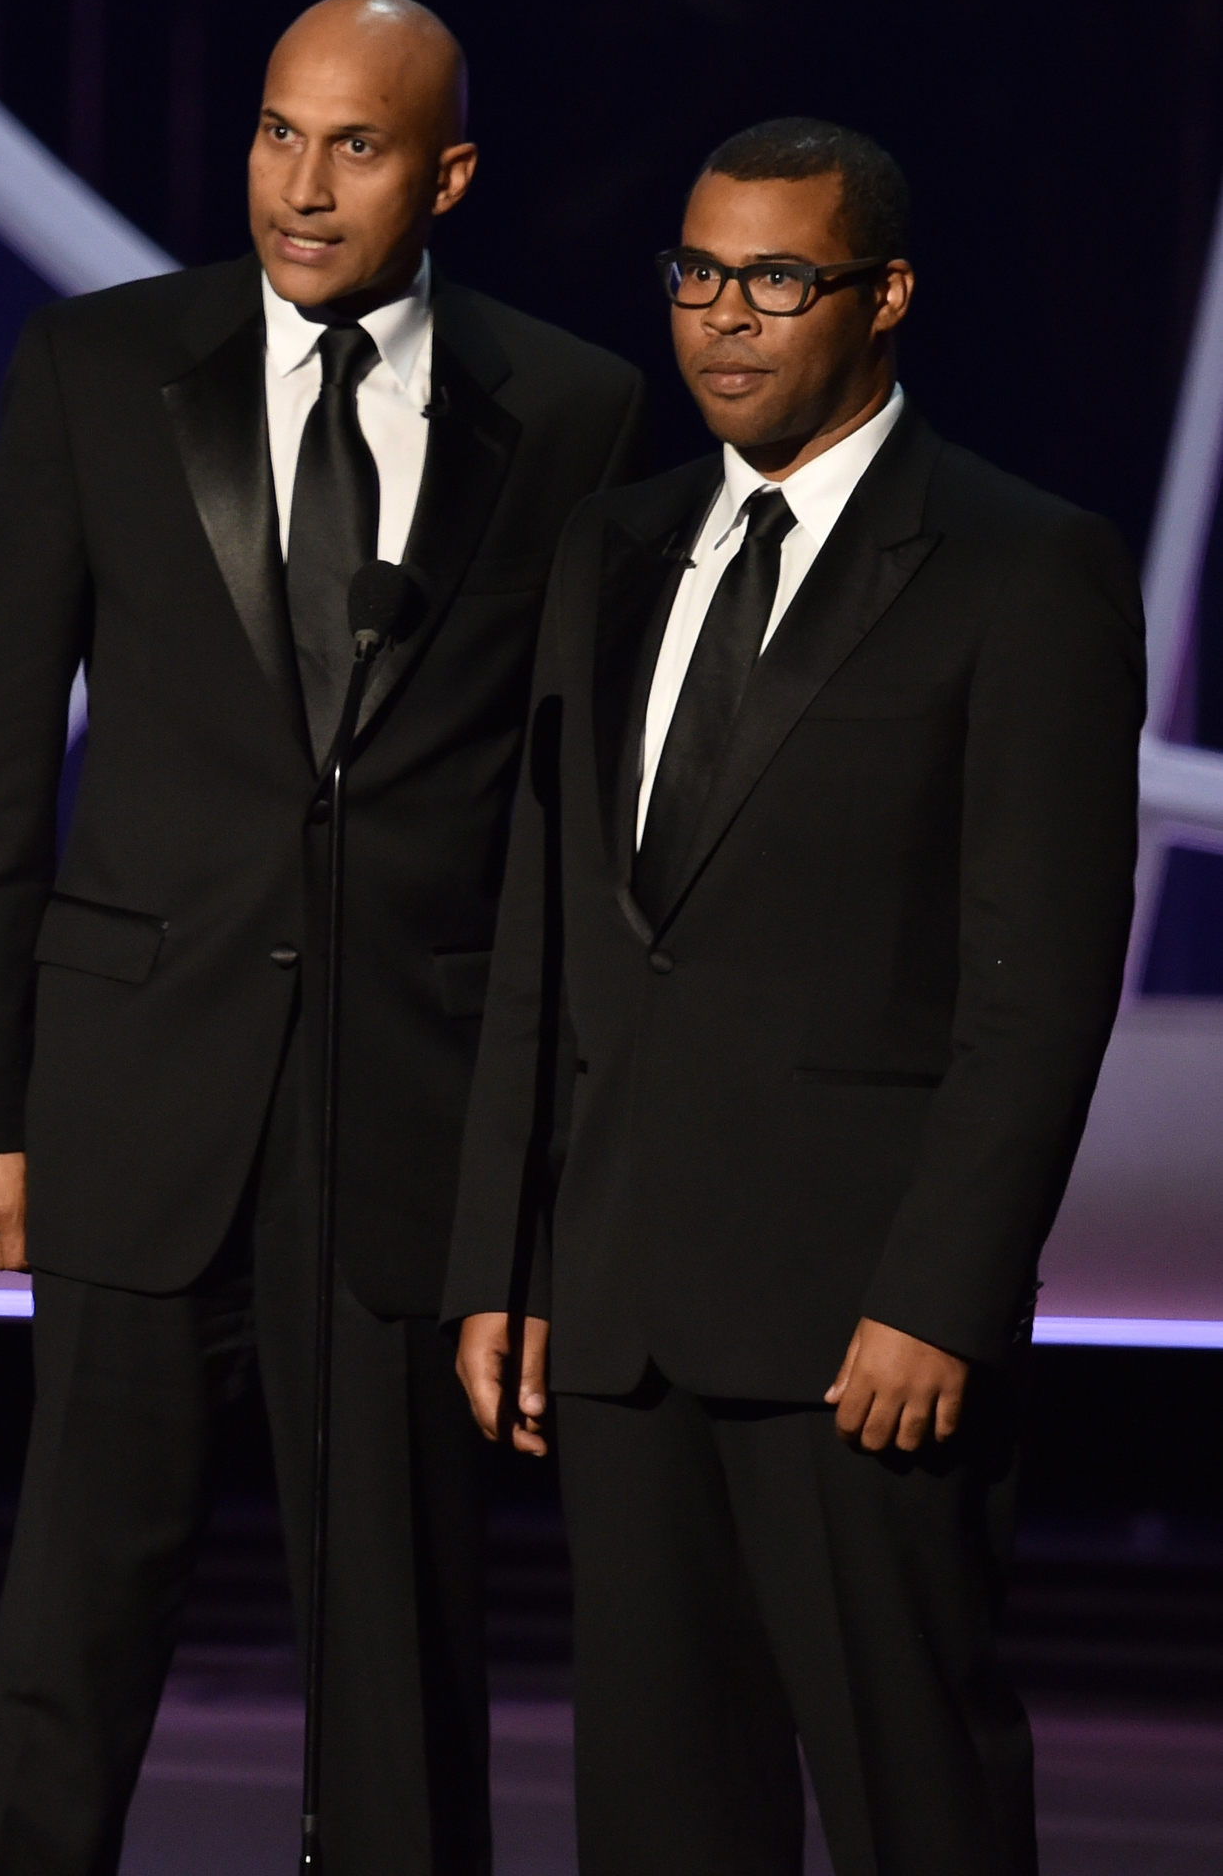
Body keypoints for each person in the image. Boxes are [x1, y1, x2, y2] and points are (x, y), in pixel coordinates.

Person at [0, 0, 645, 1876]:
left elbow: (569, 817)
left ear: (448, 173)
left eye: (358, 145)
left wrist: (545, 1171)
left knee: (402, 1660)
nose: (301, 187)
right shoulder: (97, 364)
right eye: (273, 133)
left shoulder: (568, 409)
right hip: (135, 1097)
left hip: (411, 1116)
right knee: (73, 1631)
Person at [449, 117, 1144, 1875]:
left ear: (885, 295)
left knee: (919, 1796)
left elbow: (1040, 983)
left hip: (863, 1334)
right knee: (664, 1817)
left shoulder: (1020, 564)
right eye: (696, 275)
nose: (724, 319)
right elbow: (547, 931)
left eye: (777, 279)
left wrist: (943, 1297)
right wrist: (504, 1262)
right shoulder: (609, 549)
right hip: (620, 1316)